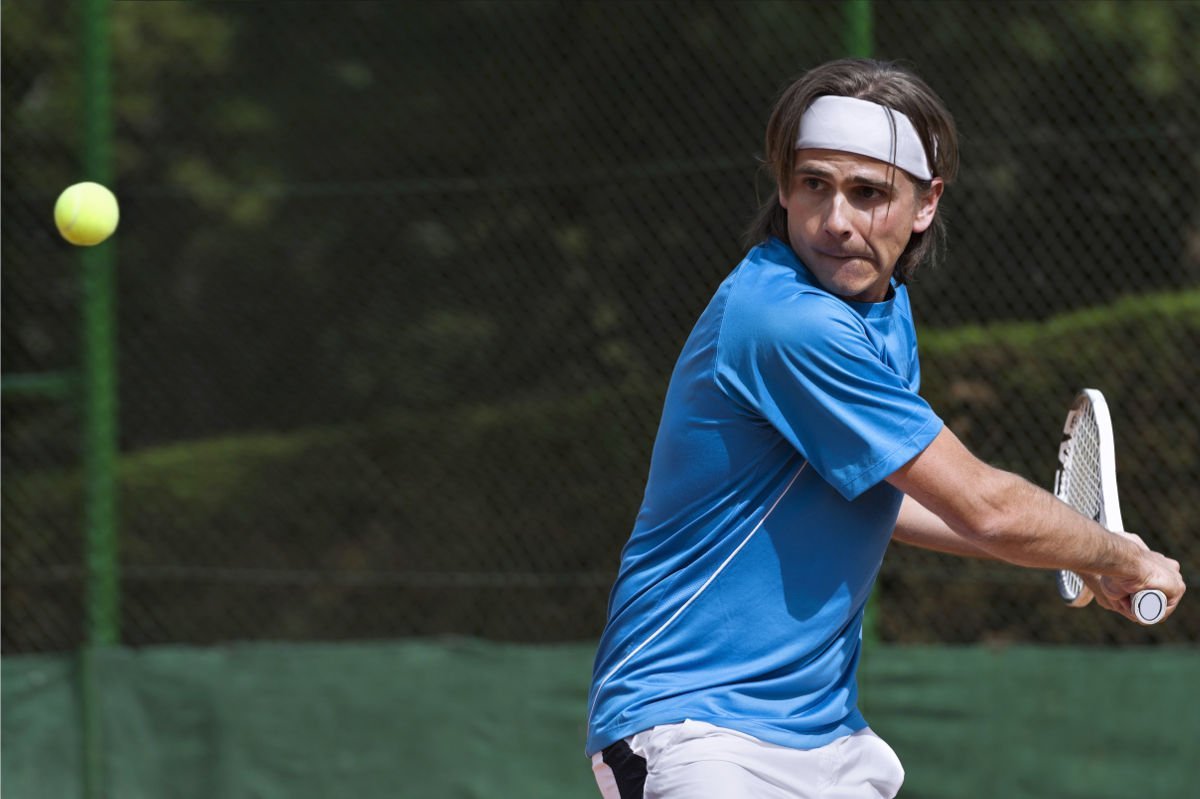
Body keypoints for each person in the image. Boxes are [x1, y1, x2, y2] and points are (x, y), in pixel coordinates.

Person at [584, 58, 1185, 799]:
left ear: (926, 203)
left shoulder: (882, 314)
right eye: (814, 185)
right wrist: (1116, 553)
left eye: (868, 193)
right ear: (784, 186)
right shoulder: (785, 320)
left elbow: (881, 498)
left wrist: (1076, 550)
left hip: (827, 736)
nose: (836, 219)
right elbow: (987, 505)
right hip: (697, 731)